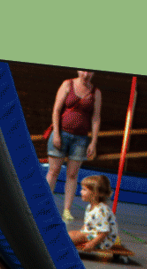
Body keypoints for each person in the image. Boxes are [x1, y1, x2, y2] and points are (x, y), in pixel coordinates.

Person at [46, 71, 102, 222]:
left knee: (72, 174)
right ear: (78, 70)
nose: (86, 74)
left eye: (89, 71)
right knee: (53, 171)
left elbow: (96, 118)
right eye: (83, 70)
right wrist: (56, 134)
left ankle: (67, 210)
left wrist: (93, 142)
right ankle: (45, 205)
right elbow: (56, 110)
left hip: (80, 138)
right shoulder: (67, 84)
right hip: (62, 133)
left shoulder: (95, 92)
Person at [70, 175, 118, 251]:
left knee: (71, 236)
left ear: (95, 193)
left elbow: (104, 232)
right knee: (71, 234)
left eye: (84, 190)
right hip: (92, 234)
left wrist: (92, 244)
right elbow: (88, 225)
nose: (81, 192)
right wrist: (79, 233)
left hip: (102, 240)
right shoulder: (89, 206)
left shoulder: (101, 210)